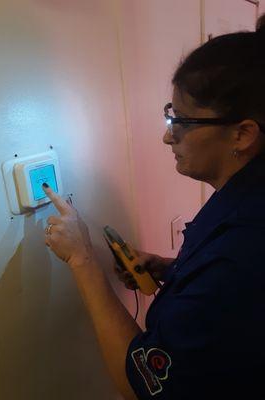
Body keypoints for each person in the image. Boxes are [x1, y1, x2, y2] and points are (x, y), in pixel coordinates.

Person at [42, 14, 265, 400]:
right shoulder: (244, 196)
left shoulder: (244, 249)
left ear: (242, 134)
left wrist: (82, 261)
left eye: (181, 120)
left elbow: (139, 385)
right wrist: (173, 270)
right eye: (169, 114)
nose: (167, 136)